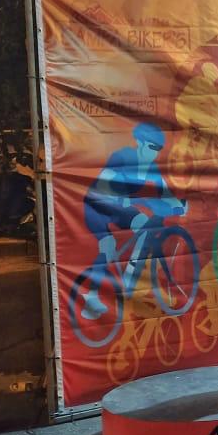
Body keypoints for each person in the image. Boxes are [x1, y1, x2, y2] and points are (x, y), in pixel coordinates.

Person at [81, 122, 185, 320]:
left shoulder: (152, 167)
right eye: (151, 147)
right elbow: (103, 182)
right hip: (97, 206)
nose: (154, 153)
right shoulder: (123, 157)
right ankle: (91, 296)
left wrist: (179, 205)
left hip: (119, 208)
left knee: (145, 225)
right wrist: (122, 197)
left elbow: (165, 192)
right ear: (140, 142)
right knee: (108, 246)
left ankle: (128, 279)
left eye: (158, 149)